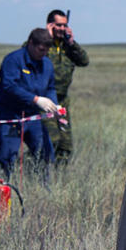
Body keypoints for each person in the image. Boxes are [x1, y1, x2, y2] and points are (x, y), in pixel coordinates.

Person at [0, 28, 60, 178]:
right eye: (41, 49)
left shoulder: (47, 64)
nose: (43, 53)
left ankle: (43, 188)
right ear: (31, 43)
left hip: (32, 116)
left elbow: (50, 88)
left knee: (45, 152)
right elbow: (9, 86)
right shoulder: (13, 60)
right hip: (10, 115)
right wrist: (36, 99)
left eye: (46, 50)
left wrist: (53, 106)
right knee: (8, 154)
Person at [43, 9, 89, 166]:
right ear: (50, 25)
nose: (62, 29)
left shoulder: (67, 46)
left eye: (65, 25)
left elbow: (84, 61)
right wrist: (46, 38)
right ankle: (36, 169)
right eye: (58, 25)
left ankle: (59, 177)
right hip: (44, 102)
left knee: (65, 146)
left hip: (62, 102)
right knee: (51, 140)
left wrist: (72, 43)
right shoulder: (40, 44)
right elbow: (26, 55)